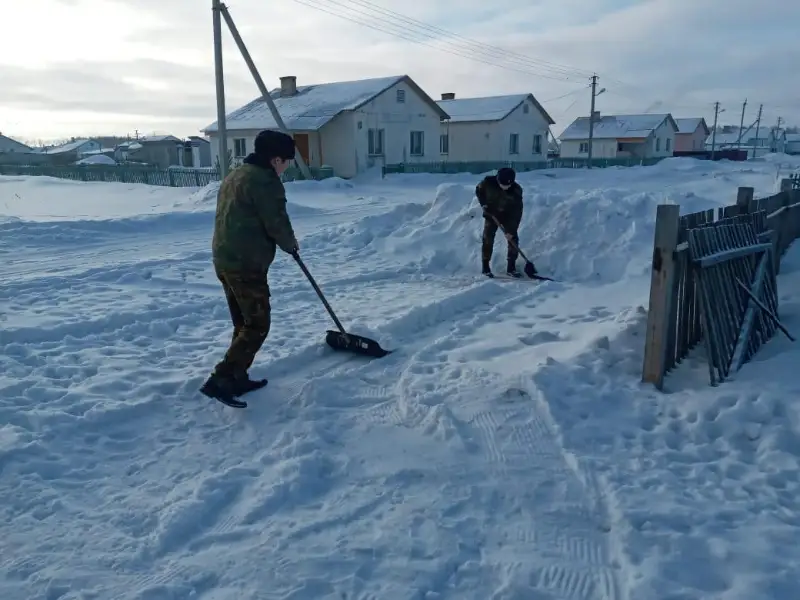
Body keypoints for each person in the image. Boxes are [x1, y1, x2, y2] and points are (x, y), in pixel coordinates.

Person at [199, 129, 300, 407]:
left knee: (243, 323)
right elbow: (276, 221)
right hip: (246, 263)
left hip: (224, 258)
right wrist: (290, 245)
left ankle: (237, 376)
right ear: (275, 159)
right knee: (257, 324)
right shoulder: (265, 181)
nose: (286, 167)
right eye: (286, 161)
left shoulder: (237, 174)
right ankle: (220, 379)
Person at [475, 166, 524, 278]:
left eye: (507, 185)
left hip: (508, 216)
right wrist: (484, 204)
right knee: (487, 238)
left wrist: (510, 231)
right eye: (502, 184)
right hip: (491, 214)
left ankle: (511, 268)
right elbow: (479, 191)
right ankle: (485, 267)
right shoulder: (488, 182)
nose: (504, 187)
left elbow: (517, 213)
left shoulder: (516, 191)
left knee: (513, 239)